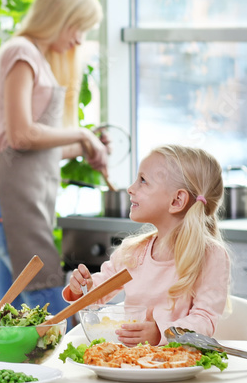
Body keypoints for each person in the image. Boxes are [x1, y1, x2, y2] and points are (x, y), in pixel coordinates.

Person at [0, 0, 110, 315]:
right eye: (79, 27)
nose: (79, 39)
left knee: (6, 313)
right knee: (52, 305)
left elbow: (31, 152)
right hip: (9, 202)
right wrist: (81, 134)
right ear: (59, 16)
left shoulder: (35, 56)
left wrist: (84, 145)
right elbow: (21, 135)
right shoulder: (22, 52)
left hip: (15, 201)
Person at [64, 145, 231, 345]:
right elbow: (97, 293)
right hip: (130, 362)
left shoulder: (210, 256)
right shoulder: (133, 252)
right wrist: (82, 288)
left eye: (143, 181)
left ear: (177, 200)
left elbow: (205, 319)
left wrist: (162, 334)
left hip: (176, 366)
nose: (130, 188)